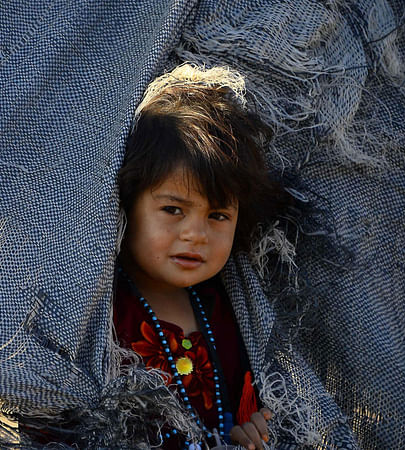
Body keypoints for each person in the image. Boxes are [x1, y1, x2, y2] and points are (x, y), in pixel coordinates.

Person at [114, 64, 286, 449]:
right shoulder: (97, 315)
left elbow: (244, 414)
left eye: (218, 215)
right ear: (125, 204)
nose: (196, 234)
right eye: (173, 210)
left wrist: (248, 431)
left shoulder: (230, 310)